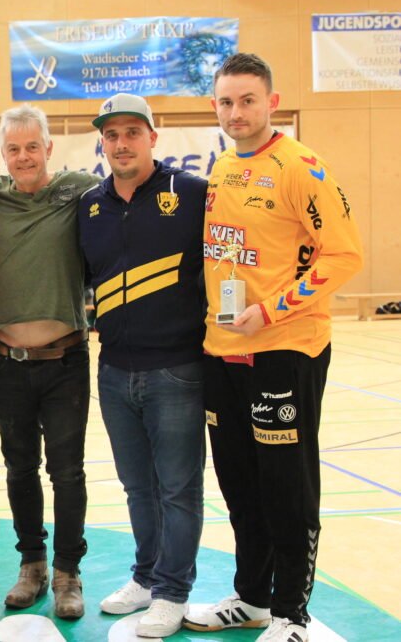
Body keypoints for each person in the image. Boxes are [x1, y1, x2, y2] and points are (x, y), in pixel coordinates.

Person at [184, 52, 364, 642]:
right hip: (222, 352)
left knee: (287, 488)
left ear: (272, 102)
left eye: (247, 100)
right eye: (226, 102)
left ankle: (291, 615)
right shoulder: (223, 167)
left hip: (285, 349)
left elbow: (344, 255)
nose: (236, 112)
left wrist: (272, 309)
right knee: (240, 486)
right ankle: (252, 598)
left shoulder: (301, 168)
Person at [77, 93, 208, 638]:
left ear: (154, 137)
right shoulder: (89, 205)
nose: (122, 143)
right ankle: (146, 576)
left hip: (177, 370)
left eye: (133, 132)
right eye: (111, 134)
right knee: (137, 488)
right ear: (102, 143)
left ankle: (173, 593)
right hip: (113, 371)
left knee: (178, 489)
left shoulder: (193, 194)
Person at [0, 104, 99, 620]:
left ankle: (67, 572)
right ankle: (31, 564)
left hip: (65, 361)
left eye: (33, 146)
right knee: (19, 468)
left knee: (68, 471)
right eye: (13, 148)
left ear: (49, 147)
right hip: (7, 361)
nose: (24, 156)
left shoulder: (79, 190)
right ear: (2, 153)